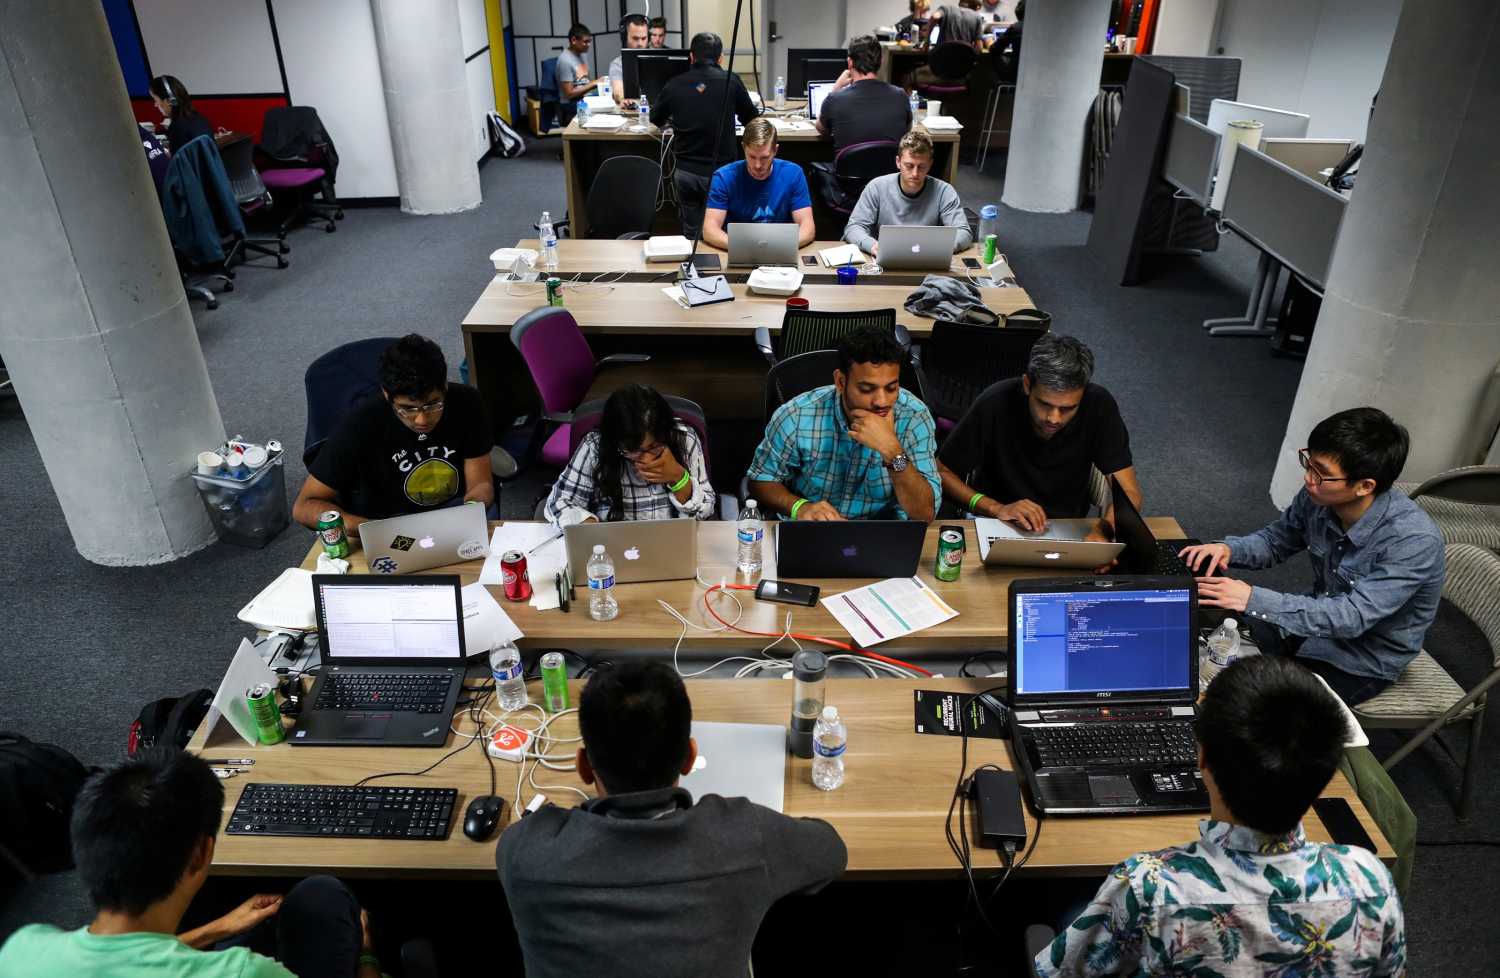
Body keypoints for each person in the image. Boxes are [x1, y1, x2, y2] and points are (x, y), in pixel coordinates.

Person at [1035, 655, 1406, 977]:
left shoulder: (1149, 886)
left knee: (1072, 910)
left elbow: (1058, 971)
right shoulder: (1370, 882)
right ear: (1325, 776)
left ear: (1201, 759)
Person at [497, 661, 848, 978]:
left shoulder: (522, 853)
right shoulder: (744, 836)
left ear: (584, 767)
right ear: (689, 757)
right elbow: (832, 851)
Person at [0, 749, 380, 978]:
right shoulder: (243, 972)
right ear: (201, 853)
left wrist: (216, 929)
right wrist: (365, 956)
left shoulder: (21, 951)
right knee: (322, 895)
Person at [1180, 407, 1445, 706]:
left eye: (1322, 474)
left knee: (1255, 708)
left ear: (1365, 486)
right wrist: (1229, 549)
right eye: (1309, 463)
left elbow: (1351, 618)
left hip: (1361, 658)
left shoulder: (1412, 541)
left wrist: (1251, 598)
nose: (1308, 479)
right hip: (1309, 622)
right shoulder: (1318, 496)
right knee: (1195, 649)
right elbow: (1276, 541)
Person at [937, 333, 1139, 538]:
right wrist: (994, 508)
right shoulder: (995, 402)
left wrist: (1104, 530)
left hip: (1069, 527)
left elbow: (1129, 494)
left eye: (1067, 408)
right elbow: (942, 472)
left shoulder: (1099, 405)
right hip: (995, 521)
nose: (1054, 418)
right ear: (1027, 385)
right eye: (1044, 404)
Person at [292, 334, 494, 535]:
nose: (422, 420)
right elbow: (304, 506)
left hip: (453, 513)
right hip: (386, 523)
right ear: (387, 395)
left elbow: (480, 483)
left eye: (433, 404)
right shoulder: (362, 420)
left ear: (445, 386)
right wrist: (368, 530)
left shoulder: (468, 402)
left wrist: (471, 511)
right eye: (407, 409)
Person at [748, 325, 939, 521]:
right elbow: (760, 480)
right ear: (840, 381)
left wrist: (893, 452)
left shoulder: (914, 417)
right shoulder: (796, 416)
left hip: (881, 530)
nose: (882, 401)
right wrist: (800, 507)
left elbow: (924, 514)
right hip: (812, 529)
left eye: (891, 388)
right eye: (867, 389)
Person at [543, 384, 716, 524]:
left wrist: (679, 478)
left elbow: (706, 512)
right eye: (633, 450)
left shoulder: (684, 439)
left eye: (654, 447)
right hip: (613, 551)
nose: (647, 459)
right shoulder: (595, 446)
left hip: (672, 548)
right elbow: (558, 503)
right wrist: (589, 530)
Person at [650, 32, 760, 240]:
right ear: (720, 58)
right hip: (722, 173)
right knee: (722, 233)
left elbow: (655, 117)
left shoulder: (675, 83)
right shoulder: (731, 81)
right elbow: (752, 120)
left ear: (691, 57)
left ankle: (694, 269)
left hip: (686, 173)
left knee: (692, 234)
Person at [841, 128, 972, 257]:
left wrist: (940, 248)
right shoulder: (877, 187)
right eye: (909, 166)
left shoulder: (944, 191)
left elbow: (964, 232)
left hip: (928, 260)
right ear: (898, 162)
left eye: (921, 167)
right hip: (882, 260)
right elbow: (854, 228)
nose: (915, 174)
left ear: (930, 164)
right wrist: (872, 246)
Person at [700, 117, 815, 250]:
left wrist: (777, 248)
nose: (757, 165)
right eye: (752, 156)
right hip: (738, 249)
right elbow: (709, 230)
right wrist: (747, 248)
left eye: (764, 157)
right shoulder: (724, 177)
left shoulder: (793, 174)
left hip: (781, 251)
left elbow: (807, 228)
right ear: (743, 148)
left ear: (775, 151)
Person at [816, 34, 912, 153]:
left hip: (849, 171)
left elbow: (821, 129)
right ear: (881, 62)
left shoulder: (835, 99)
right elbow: (907, 130)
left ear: (850, 62)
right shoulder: (900, 96)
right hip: (890, 170)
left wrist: (836, 87)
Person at [149, 75, 213, 155]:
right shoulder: (200, 119)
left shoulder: (178, 127)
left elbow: (178, 163)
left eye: (156, 100)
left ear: (169, 101)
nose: (155, 105)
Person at [555, 23, 595, 125]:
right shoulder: (565, 60)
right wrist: (594, 84)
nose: (588, 45)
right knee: (597, 112)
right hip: (570, 103)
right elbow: (569, 94)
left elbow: (586, 81)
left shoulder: (582, 55)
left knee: (609, 99)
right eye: (585, 42)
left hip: (583, 97)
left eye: (589, 41)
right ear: (573, 40)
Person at [608, 13, 650, 103]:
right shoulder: (617, 64)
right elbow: (617, 91)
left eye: (644, 38)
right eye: (635, 38)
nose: (640, 43)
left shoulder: (659, 59)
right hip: (632, 111)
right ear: (624, 38)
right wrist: (623, 100)